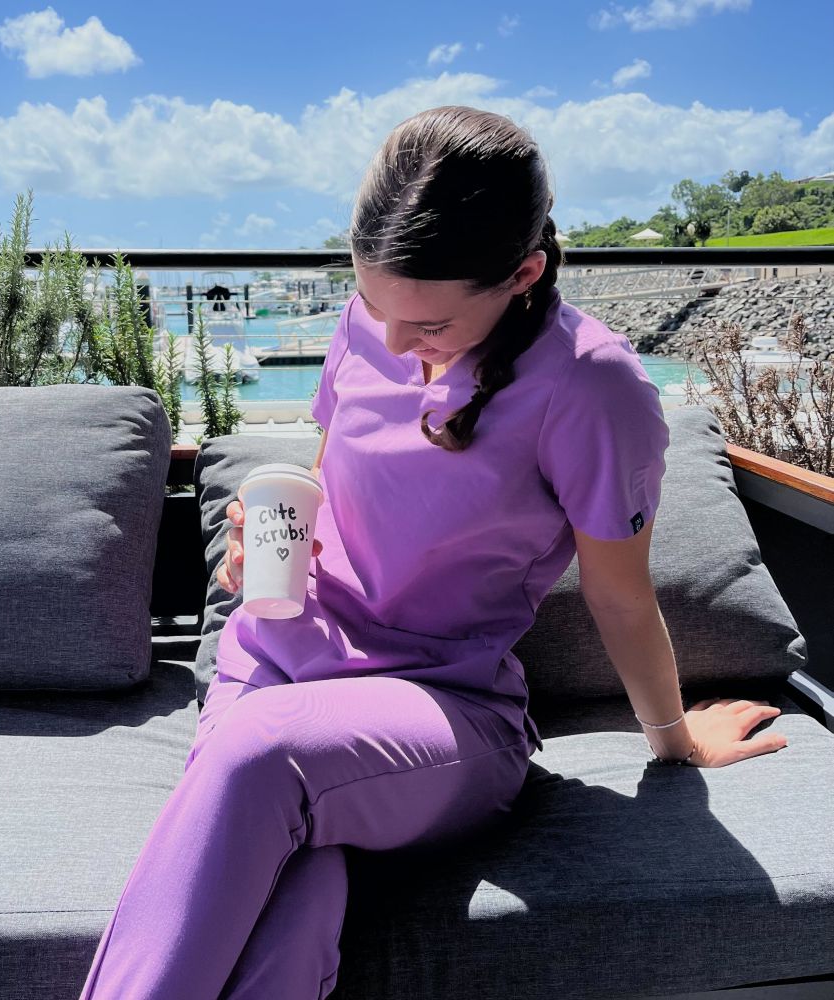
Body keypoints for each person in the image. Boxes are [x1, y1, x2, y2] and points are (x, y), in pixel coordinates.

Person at [79, 105, 788, 1000]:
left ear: (523, 273)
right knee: (291, 911)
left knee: (257, 759)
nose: (387, 341)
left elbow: (618, 595)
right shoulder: (362, 327)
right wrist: (258, 556)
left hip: (439, 712)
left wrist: (673, 741)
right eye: (371, 305)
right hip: (275, 673)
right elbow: (331, 489)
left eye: (428, 327)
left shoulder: (590, 383)